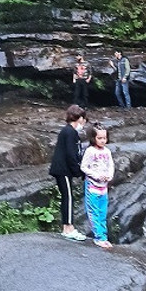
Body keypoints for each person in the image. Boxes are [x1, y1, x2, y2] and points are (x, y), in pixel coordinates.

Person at [49, 104, 87, 241]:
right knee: (68, 197)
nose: (84, 122)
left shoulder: (69, 131)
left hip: (63, 170)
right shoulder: (70, 132)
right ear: (80, 118)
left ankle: (68, 227)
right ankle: (68, 228)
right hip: (63, 169)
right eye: (84, 119)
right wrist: (78, 171)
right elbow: (71, 154)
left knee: (67, 196)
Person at [81, 123, 115, 248]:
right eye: (99, 138)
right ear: (93, 138)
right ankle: (99, 237)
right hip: (92, 186)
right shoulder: (90, 151)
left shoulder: (107, 151)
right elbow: (83, 167)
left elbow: (111, 165)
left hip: (104, 187)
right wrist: (95, 175)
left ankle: (104, 236)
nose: (102, 141)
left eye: (104, 138)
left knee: (103, 212)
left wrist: (109, 176)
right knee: (94, 212)